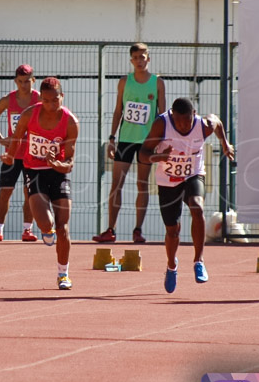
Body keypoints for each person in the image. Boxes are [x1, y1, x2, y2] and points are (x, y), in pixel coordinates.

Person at [141, 97, 234, 294]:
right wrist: (159, 157)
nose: (183, 126)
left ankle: (199, 261)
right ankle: (171, 266)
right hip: (168, 180)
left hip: (193, 174)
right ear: (172, 116)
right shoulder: (161, 125)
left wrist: (225, 144)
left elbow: (217, 122)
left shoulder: (203, 125)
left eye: (187, 121)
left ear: (194, 115)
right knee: (173, 230)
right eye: (179, 121)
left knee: (197, 206)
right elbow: (142, 154)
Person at [3, 77, 79, 290]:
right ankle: (47, 229)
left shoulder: (70, 122)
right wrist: (10, 156)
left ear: (62, 97)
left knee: (64, 228)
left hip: (58, 174)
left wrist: (59, 165)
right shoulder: (30, 114)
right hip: (34, 171)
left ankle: (63, 274)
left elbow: (70, 162)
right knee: (46, 224)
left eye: (55, 100)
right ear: (41, 99)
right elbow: (17, 137)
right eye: (46, 101)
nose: (51, 105)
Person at [93, 43, 166, 244]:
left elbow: (162, 115)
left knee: (142, 185)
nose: (140, 60)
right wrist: (111, 138)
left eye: (143, 57)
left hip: (147, 141)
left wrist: (160, 141)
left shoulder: (158, 83)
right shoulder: (124, 82)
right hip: (125, 139)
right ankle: (110, 229)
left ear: (148, 59)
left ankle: (138, 230)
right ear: (131, 60)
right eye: (136, 57)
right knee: (116, 184)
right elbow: (118, 110)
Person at [0, 64, 39, 242]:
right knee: (5, 192)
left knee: (29, 193)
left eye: (27, 82)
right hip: (12, 154)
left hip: (32, 155)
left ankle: (27, 230)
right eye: (20, 82)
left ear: (33, 80)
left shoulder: (39, 99)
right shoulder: (8, 100)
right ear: (16, 81)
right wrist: (1, 139)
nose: (24, 85)